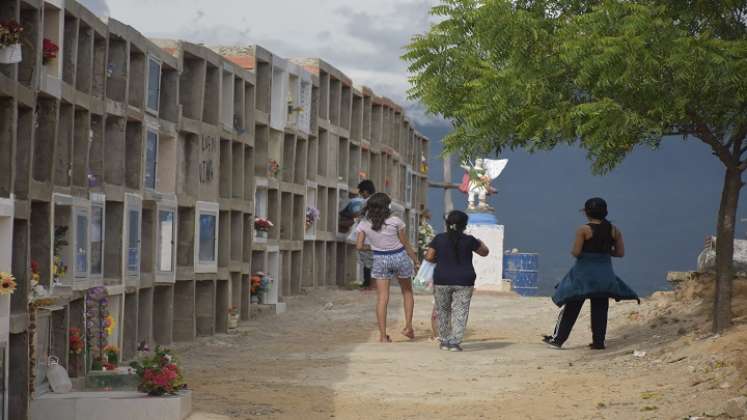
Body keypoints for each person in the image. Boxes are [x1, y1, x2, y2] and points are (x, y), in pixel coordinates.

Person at [543, 198, 639, 350]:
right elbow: (620, 253)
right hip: (605, 276)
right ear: (605, 212)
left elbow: (576, 252)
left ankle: (558, 340)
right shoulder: (614, 230)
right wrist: (605, 252)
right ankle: (598, 342)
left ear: (586, 212)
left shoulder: (583, 230)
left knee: (572, 306)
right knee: (600, 309)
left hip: (584, 276)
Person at [356, 193, 419, 343]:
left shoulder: (364, 224)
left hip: (380, 259)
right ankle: (408, 327)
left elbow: (359, 246)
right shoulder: (395, 221)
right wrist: (416, 261)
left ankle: (383, 336)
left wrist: (374, 247)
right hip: (399, 257)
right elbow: (405, 244)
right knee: (407, 292)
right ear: (387, 206)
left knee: (382, 298)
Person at [425, 210, 489, 352]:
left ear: (447, 224)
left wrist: (440, 259)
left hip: (442, 279)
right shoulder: (469, 240)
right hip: (464, 280)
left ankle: (444, 341)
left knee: (443, 310)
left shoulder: (439, 239)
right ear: (464, 225)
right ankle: (455, 343)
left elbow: (429, 257)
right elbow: (485, 252)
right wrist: (480, 242)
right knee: (460, 311)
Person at [354, 180, 376, 289]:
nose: (361, 195)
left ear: (366, 191)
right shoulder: (380, 200)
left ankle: (367, 283)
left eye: (361, 192)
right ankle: (372, 283)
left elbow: (362, 217)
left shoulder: (366, 202)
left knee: (366, 258)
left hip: (366, 234)